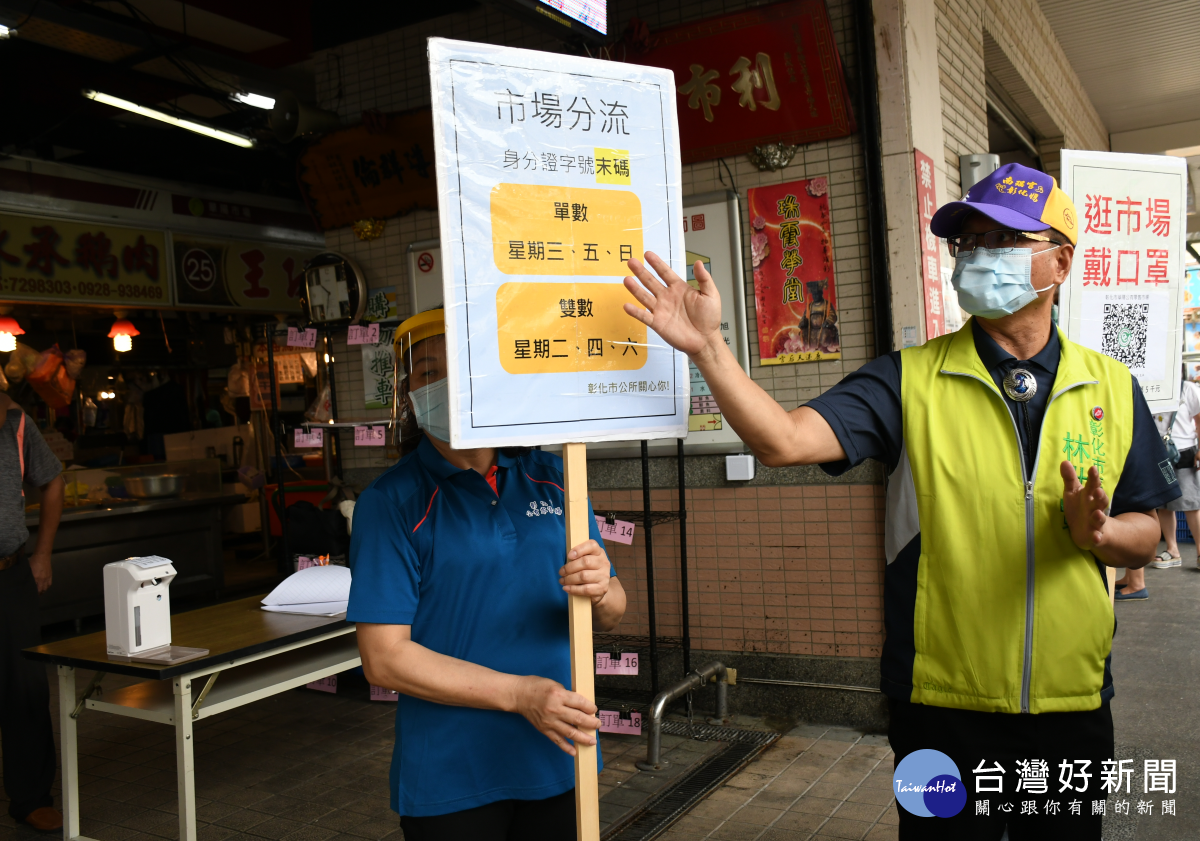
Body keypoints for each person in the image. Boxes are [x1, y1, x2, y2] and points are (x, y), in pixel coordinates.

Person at [621, 163, 1178, 840]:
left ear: (1059, 260)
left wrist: (1103, 535)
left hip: (1072, 702)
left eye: (1001, 239)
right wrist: (710, 347)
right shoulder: (909, 378)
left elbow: (1147, 529)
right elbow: (782, 440)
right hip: (936, 705)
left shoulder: (1113, 388)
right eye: (967, 243)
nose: (978, 256)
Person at [347, 309, 627, 840]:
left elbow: (612, 608)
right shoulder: (391, 502)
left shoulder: (556, 476)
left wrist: (604, 590)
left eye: (464, 367)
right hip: (451, 774)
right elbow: (383, 659)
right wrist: (520, 695)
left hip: (559, 754)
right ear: (407, 394)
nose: (447, 385)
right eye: (428, 372)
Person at [0, 391, 65, 831]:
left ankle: (31, 797)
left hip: (9, 573)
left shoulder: (15, 420)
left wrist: (42, 553)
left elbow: (53, 480)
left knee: (25, 688)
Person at [1117, 375, 1200, 597]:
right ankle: (1172, 550)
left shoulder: (1187, 388)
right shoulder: (1145, 384)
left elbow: (1198, 419)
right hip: (1155, 450)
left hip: (1183, 450)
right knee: (1162, 503)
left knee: (1190, 503)